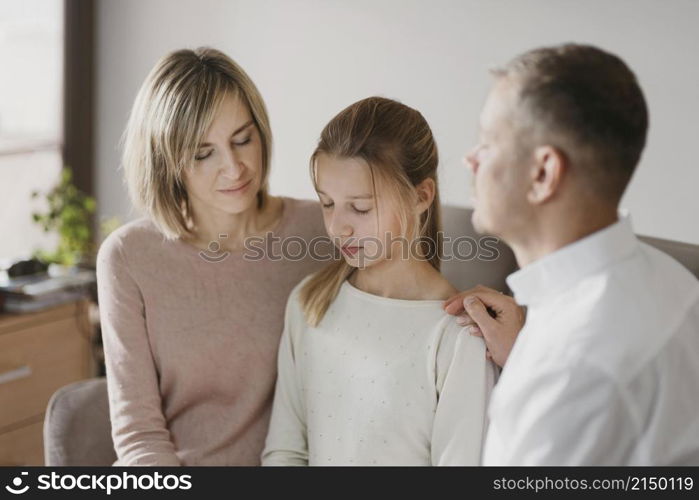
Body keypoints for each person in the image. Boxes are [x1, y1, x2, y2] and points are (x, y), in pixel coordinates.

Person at [444, 43, 699, 465]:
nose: (471, 158)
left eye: (488, 142)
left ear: (543, 173)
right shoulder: (675, 285)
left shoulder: (569, 374)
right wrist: (526, 351)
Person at [96, 47, 327, 465]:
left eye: (243, 139)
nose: (235, 167)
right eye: (204, 153)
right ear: (166, 162)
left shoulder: (322, 231)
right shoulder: (128, 258)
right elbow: (140, 436)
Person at [261, 97, 497, 466]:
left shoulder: (458, 333)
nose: (339, 225)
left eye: (360, 207)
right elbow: (286, 451)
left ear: (421, 196)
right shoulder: (309, 303)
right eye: (327, 203)